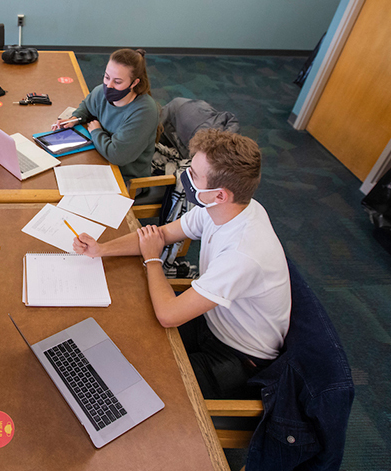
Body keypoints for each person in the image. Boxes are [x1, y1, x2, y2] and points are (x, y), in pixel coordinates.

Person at [73, 129, 291, 398]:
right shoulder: (222, 208)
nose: (184, 176)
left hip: (239, 356)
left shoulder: (243, 254)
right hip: (212, 321)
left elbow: (169, 315)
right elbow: (160, 235)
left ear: (220, 194)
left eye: (194, 175)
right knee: (125, 335)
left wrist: (152, 259)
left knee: (136, 384)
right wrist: (101, 249)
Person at [52, 48, 159, 181]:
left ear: (134, 83)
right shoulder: (102, 92)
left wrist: (96, 132)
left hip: (126, 178)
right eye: (107, 77)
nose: (109, 85)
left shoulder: (144, 112)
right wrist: (75, 118)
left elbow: (117, 155)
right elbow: (88, 105)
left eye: (118, 82)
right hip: (101, 160)